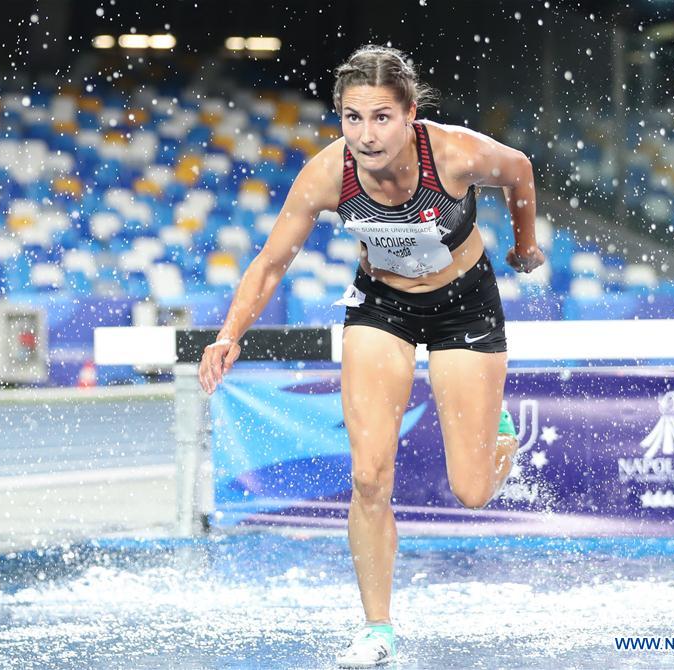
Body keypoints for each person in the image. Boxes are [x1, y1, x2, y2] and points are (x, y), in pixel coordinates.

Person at [199, 44, 544, 668]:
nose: (367, 134)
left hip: (464, 306)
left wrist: (524, 246)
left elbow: (519, 169)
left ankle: (500, 434)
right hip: (381, 306)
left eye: (382, 117)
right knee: (368, 476)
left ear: (410, 114)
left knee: (470, 491)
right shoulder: (329, 174)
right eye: (353, 118)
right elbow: (272, 261)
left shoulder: (456, 154)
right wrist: (229, 334)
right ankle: (377, 628)